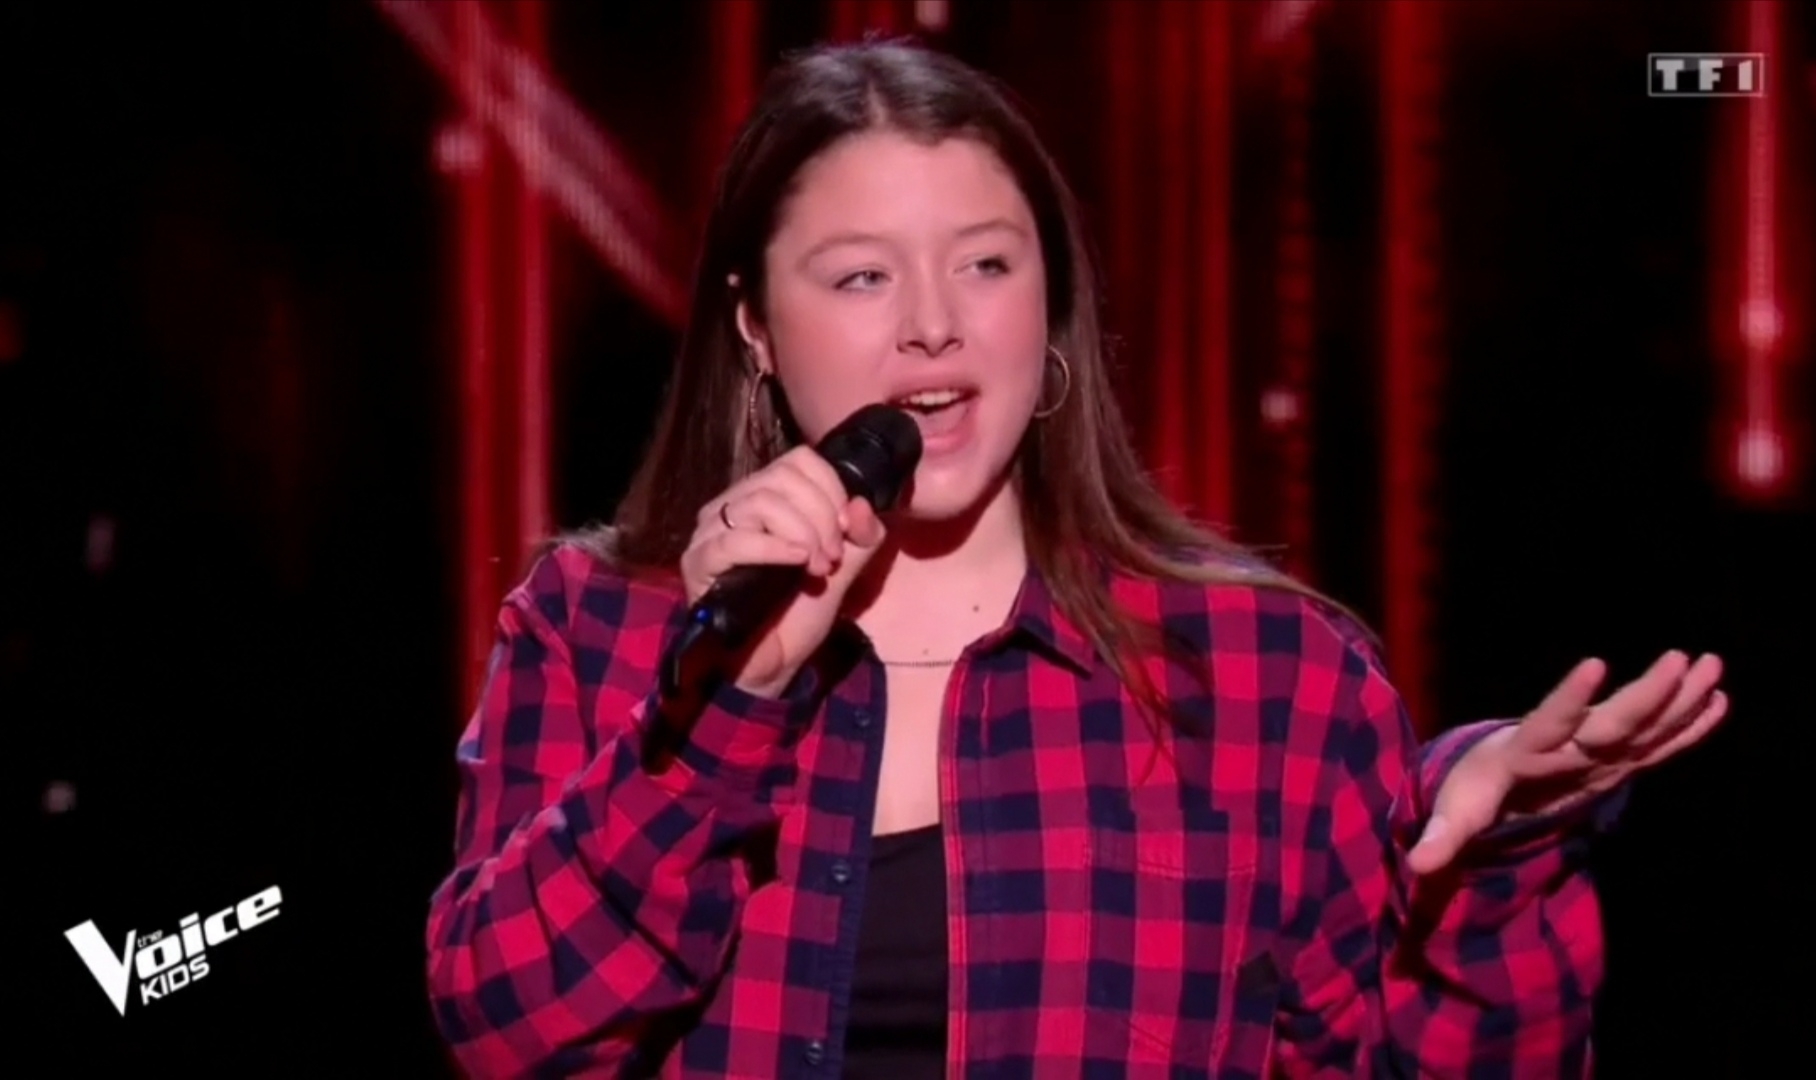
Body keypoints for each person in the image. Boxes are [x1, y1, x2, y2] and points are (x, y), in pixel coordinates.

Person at [424, 39, 1727, 1078]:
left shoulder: (1267, 677)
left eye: (986, 265)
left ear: (1049, 304)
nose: (934, 326)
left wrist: (1496, 867)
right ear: (756, 324)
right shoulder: (595, 628)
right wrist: (732, 703)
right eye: (863, 278)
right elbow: (503, 1030)